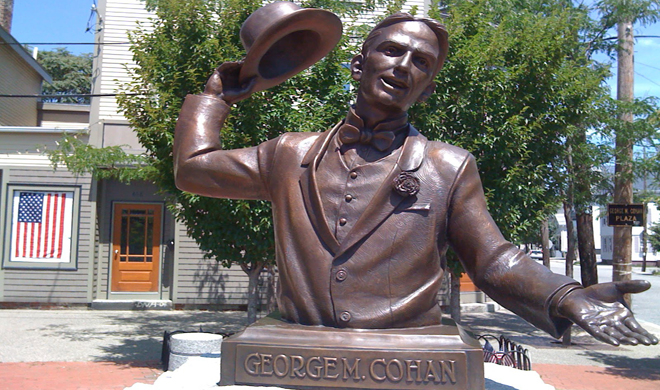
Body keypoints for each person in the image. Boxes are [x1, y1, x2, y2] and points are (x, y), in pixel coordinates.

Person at [174, 12, 658, 347]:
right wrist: (217, 97)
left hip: (404, 356)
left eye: (421, 62)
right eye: (391, 51)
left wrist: (568, 297)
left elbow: (493, 259)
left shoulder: (449, 167)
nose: (404, 66)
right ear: (359, 65)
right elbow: (193, 169)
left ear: (425, 91)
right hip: (301, 348)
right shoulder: (287, 153)